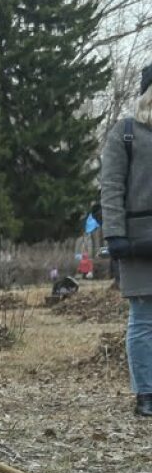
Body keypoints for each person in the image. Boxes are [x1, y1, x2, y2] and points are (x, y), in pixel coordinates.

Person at [99, 65, 152, 417]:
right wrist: (115, 234)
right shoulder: (126, 132)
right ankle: (147, 393)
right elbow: (111, 185)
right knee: (144, 317)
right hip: (139, 239)